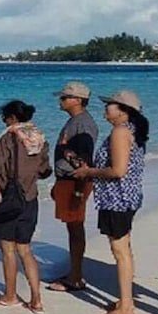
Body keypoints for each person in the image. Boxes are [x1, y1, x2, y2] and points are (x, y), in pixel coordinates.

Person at [72, 90, 149, 314]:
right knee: (123, 248)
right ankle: (126, 300)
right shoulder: (132, 130)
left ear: (123, 111)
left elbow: (117, 170)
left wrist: (88, 171)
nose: (106, 108)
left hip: (118, 198)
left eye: (110, 105)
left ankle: (126, 307)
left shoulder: (120, 131)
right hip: (127, 196)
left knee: (120, 251)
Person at [0, 100, 51, 314]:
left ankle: (10, 296)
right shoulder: (39, 137)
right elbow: (44, 169)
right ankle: (36, 299)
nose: (3, 121)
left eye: (4, 117)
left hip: (10, 198)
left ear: (11, 117)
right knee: (26, 250)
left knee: (8, 251)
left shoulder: (9, 137)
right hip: (31, 197)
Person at [48, 81, 99, 293]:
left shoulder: (82, 124)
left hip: (74, 182)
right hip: (68, 181)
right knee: (73, 227)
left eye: (64, 97)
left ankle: (76, 277)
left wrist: (78, 191)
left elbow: (84, 161)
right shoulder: (76, 121)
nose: (61, 100)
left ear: (77, 100)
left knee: (75, 227)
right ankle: (74, 272)